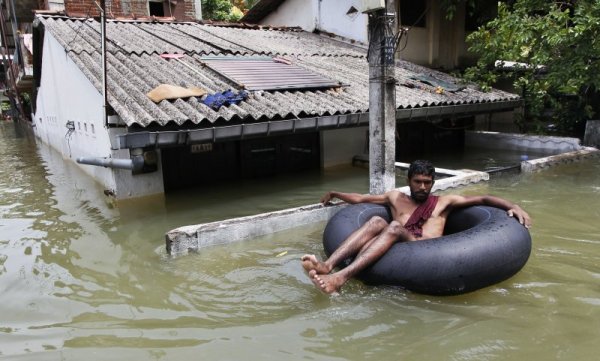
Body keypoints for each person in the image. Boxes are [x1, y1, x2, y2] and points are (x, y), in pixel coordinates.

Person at [302, 160, 532, 294]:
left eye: (427, 183)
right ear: (409, 181)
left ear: (432, 183)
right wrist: (334, 193)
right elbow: (361, 199)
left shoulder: (444, 202)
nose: (422, 187)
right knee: (376, 221)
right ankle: (327, 265)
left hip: (425, 252)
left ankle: (340, 278)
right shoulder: (395, 197)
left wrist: (515, 206)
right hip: (398, 244)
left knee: (392, 226)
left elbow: (484, 200)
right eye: (417, 182)